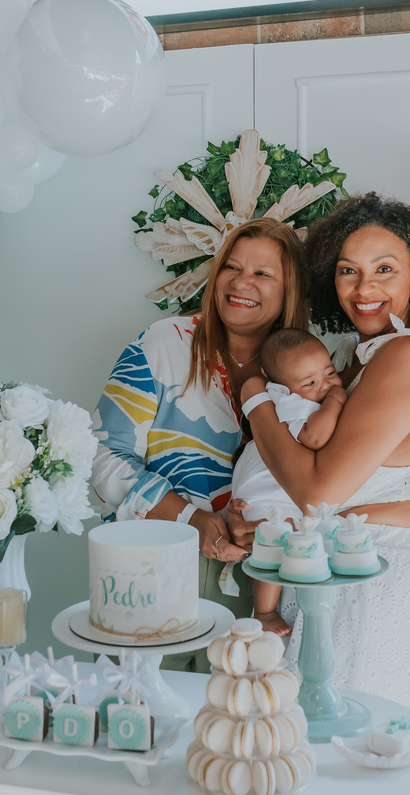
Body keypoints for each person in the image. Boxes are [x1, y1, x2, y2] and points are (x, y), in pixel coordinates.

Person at [240, 193, 410, 721]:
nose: (364, 289)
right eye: (348, 271)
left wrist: (254, 397)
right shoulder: (349, 360)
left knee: (350, 740)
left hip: (371, 587)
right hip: (324, 570)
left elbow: (316, 492)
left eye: (385, 269)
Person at [91, 217, 309, 671]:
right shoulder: (163, 344)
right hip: (152, 571)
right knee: (138, 707)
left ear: (289, 291)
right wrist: (190, 519)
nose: (241, 283)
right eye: (232, 266)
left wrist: (271, 525)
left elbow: (313, 475)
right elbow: (102, 455)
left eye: (262, 273)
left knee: (236, 712)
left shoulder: (304, 372)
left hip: (258, 591)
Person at [230, 328, 346, 637]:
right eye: (310, 383)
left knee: (277, 546)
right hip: (264, 490)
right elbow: (314, 437)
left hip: (267, 483)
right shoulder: (292, 404)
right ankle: (265, 612)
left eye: (330, 373)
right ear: (284, 389)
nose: (325, 385)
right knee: (272, 548)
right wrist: (335, 402)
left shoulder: (302, 397)